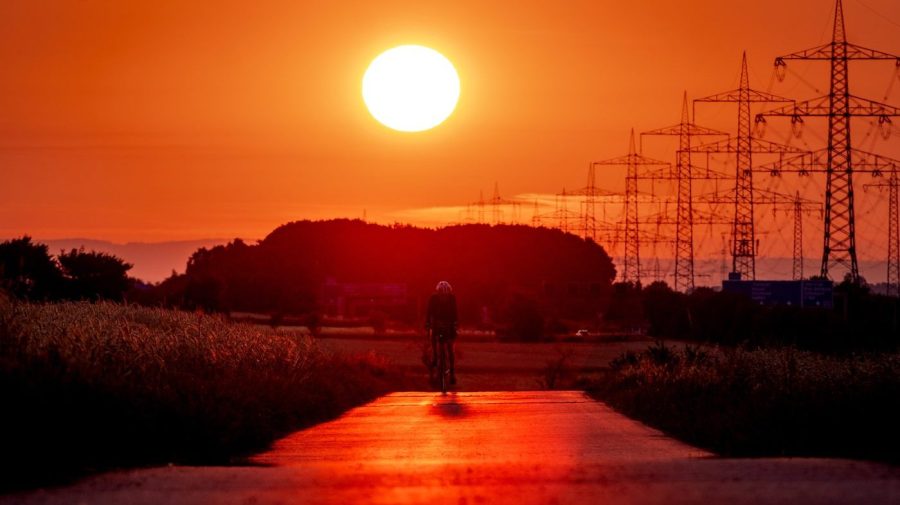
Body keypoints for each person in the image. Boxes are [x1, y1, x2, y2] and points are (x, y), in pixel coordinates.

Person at [425, 280, 458, 385]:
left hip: (448, 322)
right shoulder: (433, 298)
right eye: (441, 295)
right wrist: (427, 323)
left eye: (445, 295)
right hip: (437, 322)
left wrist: (455, 324)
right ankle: (435, 356)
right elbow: (429, 312)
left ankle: (452, 372)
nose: (443, 297)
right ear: (438, 293)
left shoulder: (452, 299)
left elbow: (455, 313)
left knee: (450, 347)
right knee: (433, 336)